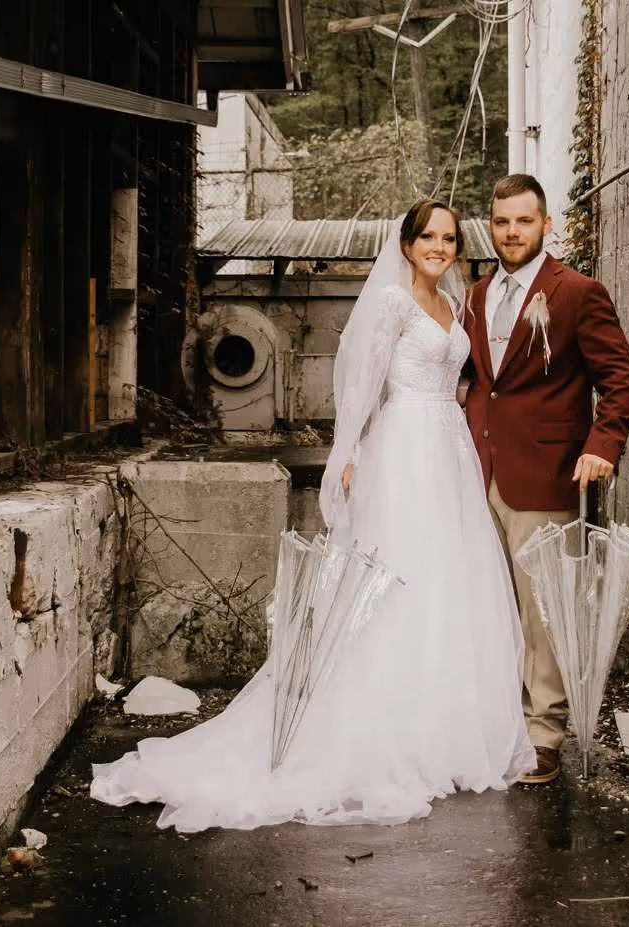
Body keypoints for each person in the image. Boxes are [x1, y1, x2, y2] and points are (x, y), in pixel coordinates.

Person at [90, 200, 535, 831]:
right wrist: (348, 451)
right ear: (405, 245)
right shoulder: (390, 304)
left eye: (448, 238)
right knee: (398, 576)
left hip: (449, 450)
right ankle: (382, 731)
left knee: (450, 581)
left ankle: (445, 727)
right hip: (405, 450)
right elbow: (362, 382)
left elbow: (457, 378)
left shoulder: (454, 305)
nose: (439, 246)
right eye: (427, 237)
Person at [462, 174, 629, 784]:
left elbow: (620, 379)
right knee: (491, 606)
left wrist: (602, 447)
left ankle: (544, 734)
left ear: (546, 224)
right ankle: (496, 722)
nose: (512, 232)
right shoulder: (476, 294)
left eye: (524, 221)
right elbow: (476, 378)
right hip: (476, 470)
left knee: (543, 611)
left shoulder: (578, 292)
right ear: (491, 224)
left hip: (544, 474)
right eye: (502, 221)